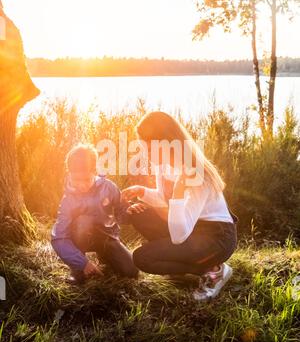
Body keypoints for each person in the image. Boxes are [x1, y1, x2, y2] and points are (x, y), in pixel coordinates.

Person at [122, 111, 238, 301]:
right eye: (144, 147)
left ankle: (213, 271)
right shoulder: (162, 165)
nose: (146, 153)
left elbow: (179, 235)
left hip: (217, 237)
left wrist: (178, 191)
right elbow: (162, 198)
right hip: (192, 229)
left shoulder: (196, 175)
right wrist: (141, 192)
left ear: (166, 143)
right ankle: (185, 265)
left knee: (142, 258)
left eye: (149, 148)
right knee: (139, 214)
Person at [51, 143, 138, 284]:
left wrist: (128, 211)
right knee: (83, 221)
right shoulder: (68, 200)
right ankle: (77, 271)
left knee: (131, 271)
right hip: (81, 238)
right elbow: (59, 238)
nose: (81, 185)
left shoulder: (109, 187)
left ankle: (105, 255)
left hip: (107, 237)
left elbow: (121, 211)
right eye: (76, 180)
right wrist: (83, 263)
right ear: (69, 174)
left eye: (86, 179)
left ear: (95, 171)